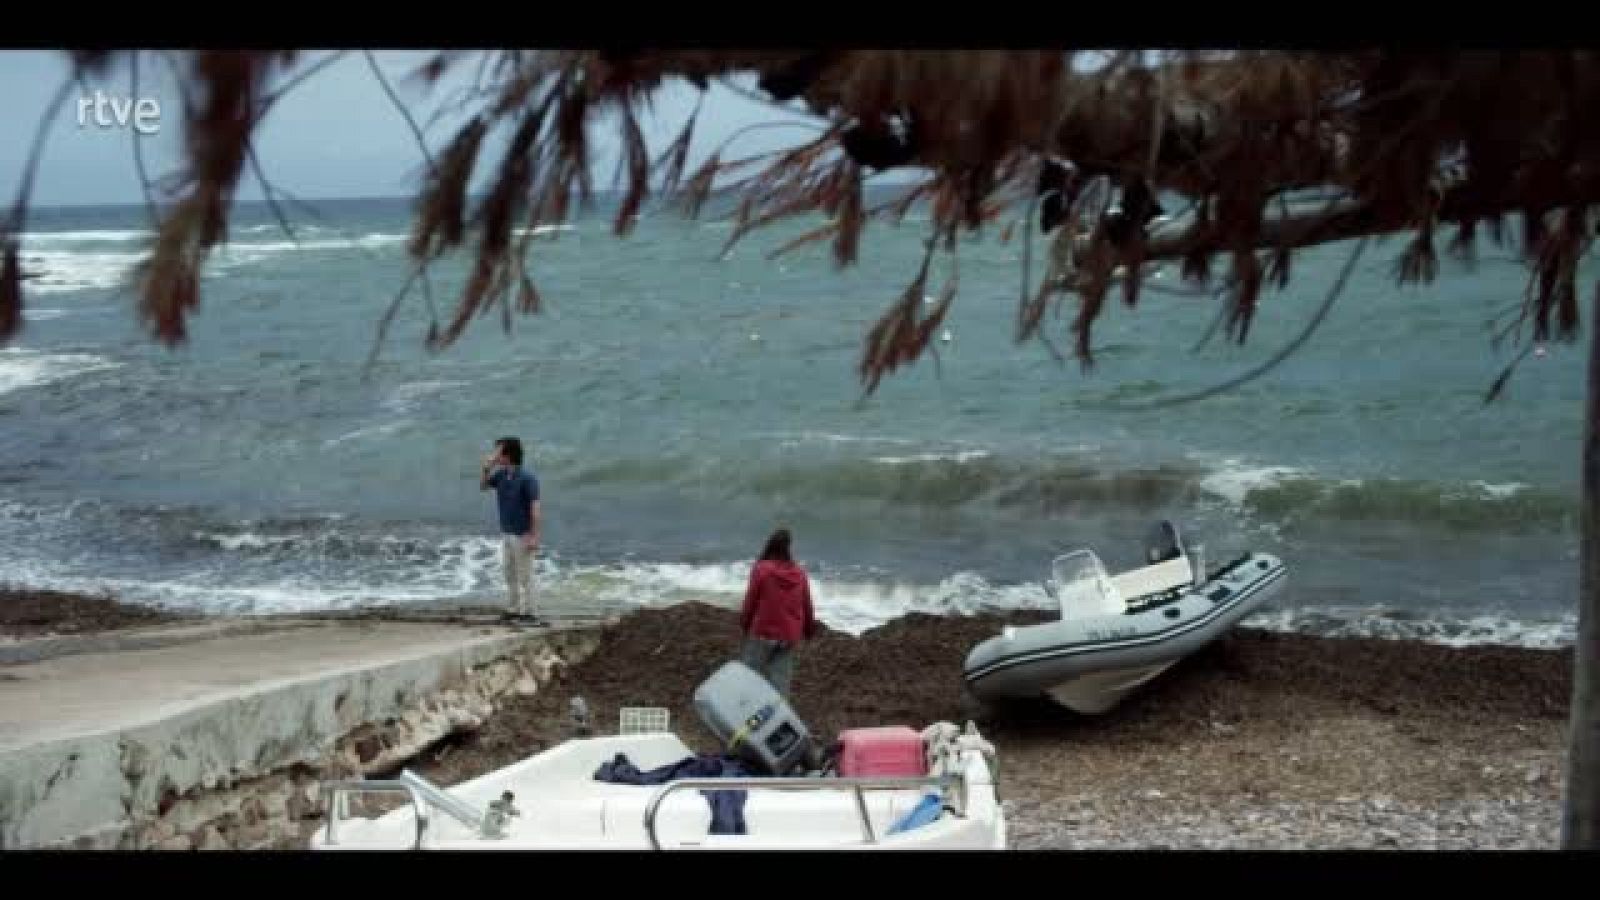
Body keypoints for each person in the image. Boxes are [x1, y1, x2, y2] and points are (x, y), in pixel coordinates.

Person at [738, 528, 818, 698]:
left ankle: (744, 714)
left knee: (749, 677)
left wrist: (744, 624)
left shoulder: (761, 569)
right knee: (780, 685)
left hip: (763, 632)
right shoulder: (799, 573)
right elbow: (807, 604)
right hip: (788, 636)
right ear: (788, 548)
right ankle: (778, 719)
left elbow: (750, 600)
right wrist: (809, 631)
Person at [480, 437, 541, 622]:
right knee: (509, 573)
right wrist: (486, 468)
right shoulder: (501, 475)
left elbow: (536, 509)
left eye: (498, 451)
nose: (495, 455)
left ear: (508, 455)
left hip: (522, 534)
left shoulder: (527, 478)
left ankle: (530, 612)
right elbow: (483, 486)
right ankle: (513, 608)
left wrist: (534, 536)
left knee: (525, 576)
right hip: (507, 532)